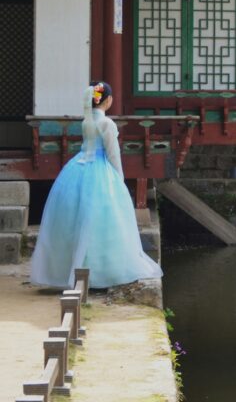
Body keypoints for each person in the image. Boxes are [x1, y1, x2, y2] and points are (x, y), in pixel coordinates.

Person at [30, 82, 163, 289]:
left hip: (79, 166)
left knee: (76, 218)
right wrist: (119, 178)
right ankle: (104, 270)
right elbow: (113, 153)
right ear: (108, 100)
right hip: (100, 169)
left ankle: (68, 270)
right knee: (103, 220)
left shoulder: (87, 121)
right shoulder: (107, 123)